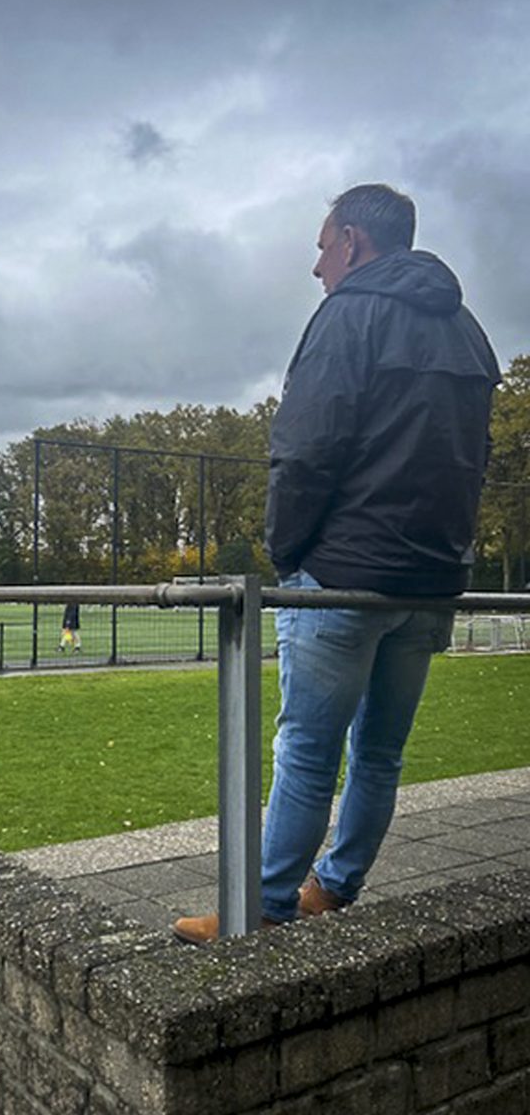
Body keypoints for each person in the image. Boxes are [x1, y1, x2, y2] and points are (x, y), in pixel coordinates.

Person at [173, 183, 500, 944]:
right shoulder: (472, 333)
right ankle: (335, 887)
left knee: (308, 751)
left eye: (322, 247)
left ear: (351, 241)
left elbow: (305, 450)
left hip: (345, 576)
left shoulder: (347, 314)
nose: (316, 266)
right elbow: (473, 462)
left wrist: (290, 555)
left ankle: (264, 908)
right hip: (431, 583)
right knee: (379, 753)